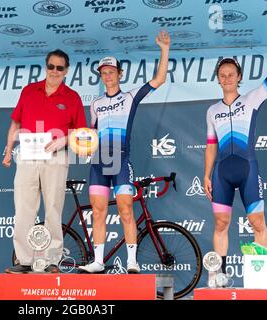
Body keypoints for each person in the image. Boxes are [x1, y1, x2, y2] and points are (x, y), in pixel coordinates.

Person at [78, 31, 171, 274]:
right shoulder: (95, 104)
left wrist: (164, 49)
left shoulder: (129, 98)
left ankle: (131, 262)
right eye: (103, 73)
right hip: (99, 160)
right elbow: (92, 133)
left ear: (119, 74)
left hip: (120, 158)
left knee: (126, 210)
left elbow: (159, 79)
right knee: (98, 212)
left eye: (111, 72)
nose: (107, 76)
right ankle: (98, 261)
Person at [204, 21, 267, 273]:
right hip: (221, 173)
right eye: (222, 75)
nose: (227, 78)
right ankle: (218, 277)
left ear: (239, 77)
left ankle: (260, 279)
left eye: (231, 74)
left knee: (257, 221)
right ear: (218, 80)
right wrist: (206, 174)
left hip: (247, 168)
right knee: (220, 223)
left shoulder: (252, 99)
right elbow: (210, 146)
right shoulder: (212, 110)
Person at [3, 49, 86, 273]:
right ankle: (24, 260)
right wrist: (9, 150)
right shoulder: (29, 91)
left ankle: (51, 260)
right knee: (23, 209)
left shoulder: (72, 97)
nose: (55, 71)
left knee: (52, 209)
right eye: (51, 66)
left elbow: (81, 133)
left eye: (60, 68)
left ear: (66, 71)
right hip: (28, 155)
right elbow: (15, 124)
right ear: (46, 66)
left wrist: (63, 141)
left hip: (56, 157)